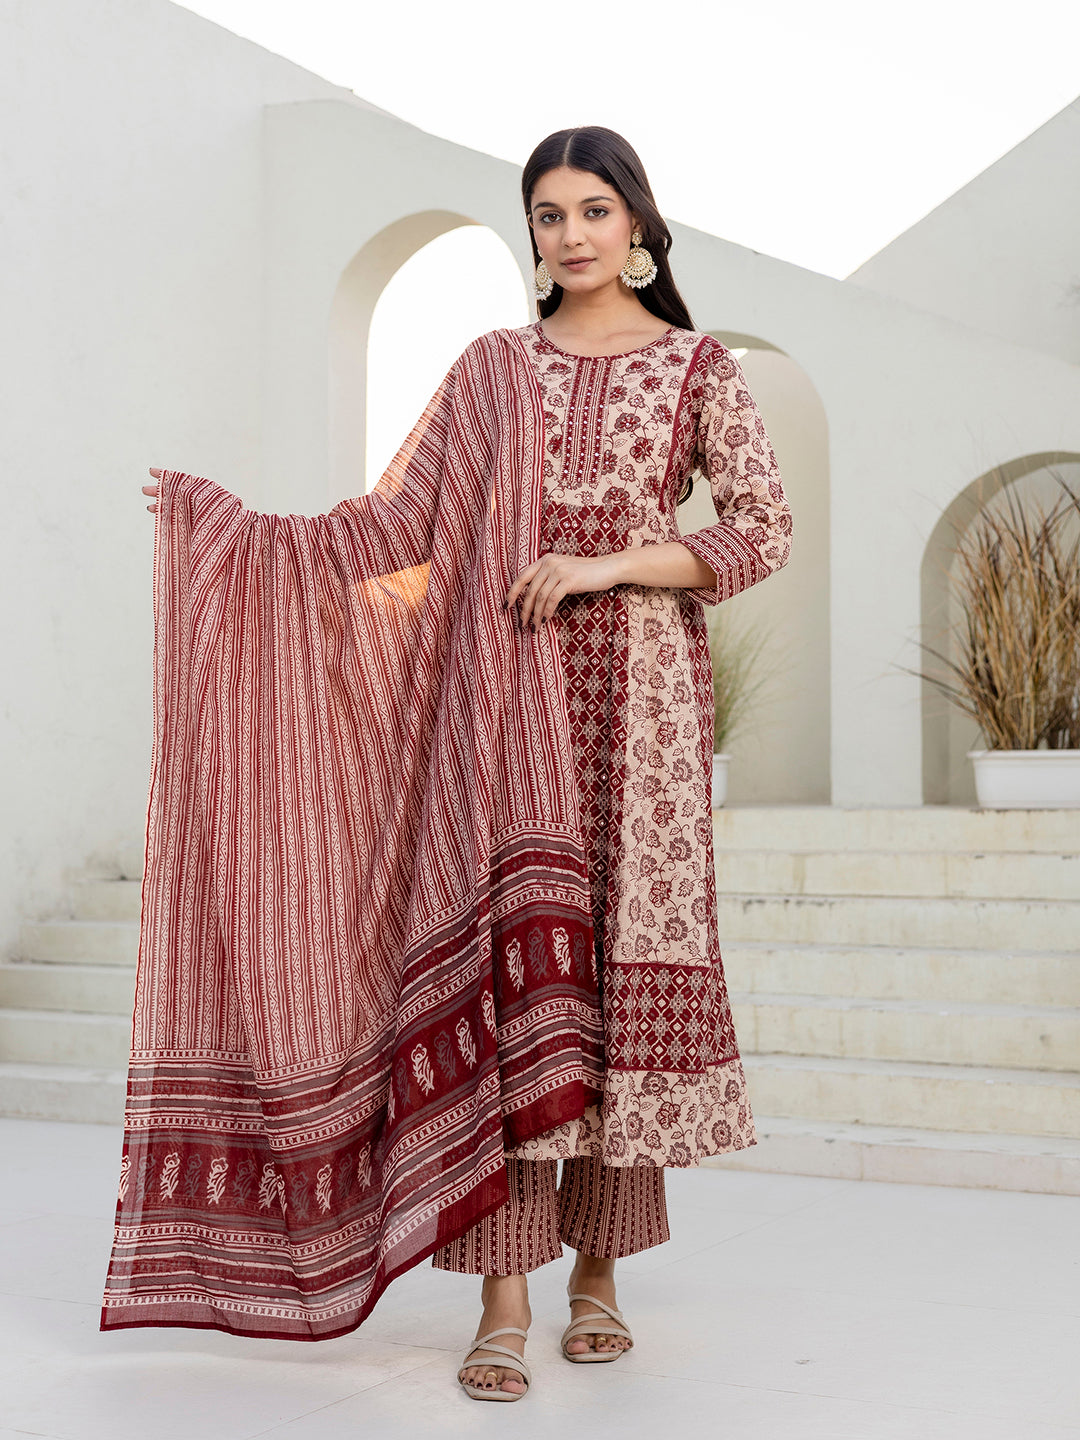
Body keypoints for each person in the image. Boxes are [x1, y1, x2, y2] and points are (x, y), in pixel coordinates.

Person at [130, 125, 791, 1402]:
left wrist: (603, 563)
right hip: (505, 702)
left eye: (595, 209)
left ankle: (598, 1277)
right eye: (548, 215)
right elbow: (401, 520)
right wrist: (238, 537)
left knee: (610, 983)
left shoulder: (702, 367)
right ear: (533, 238)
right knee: (515, 986)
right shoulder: (491, 369)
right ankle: (504, 1295)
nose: (572, 234)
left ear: (640, 225)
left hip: (643, 714)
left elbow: (760, 530)